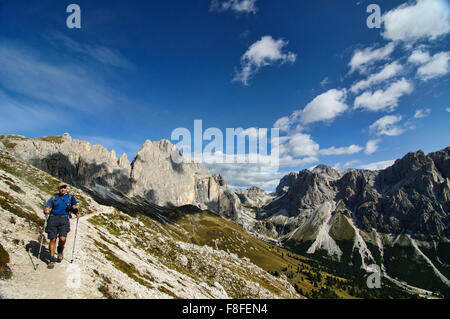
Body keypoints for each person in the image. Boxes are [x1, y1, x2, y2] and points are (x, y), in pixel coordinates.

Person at [44, 182, 80, 269]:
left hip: (64, 219)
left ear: (66, 188)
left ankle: (60, 250)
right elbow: (47, 205)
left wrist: (76, 212)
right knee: (53, 239)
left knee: (62, 238)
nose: (63, 189)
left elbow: (74, 207)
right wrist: (47, 209)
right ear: (58, 189)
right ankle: (52, 259)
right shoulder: (54, 197)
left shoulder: (71, 197)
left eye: (64, 187)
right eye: (61, 188)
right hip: (53, 219)